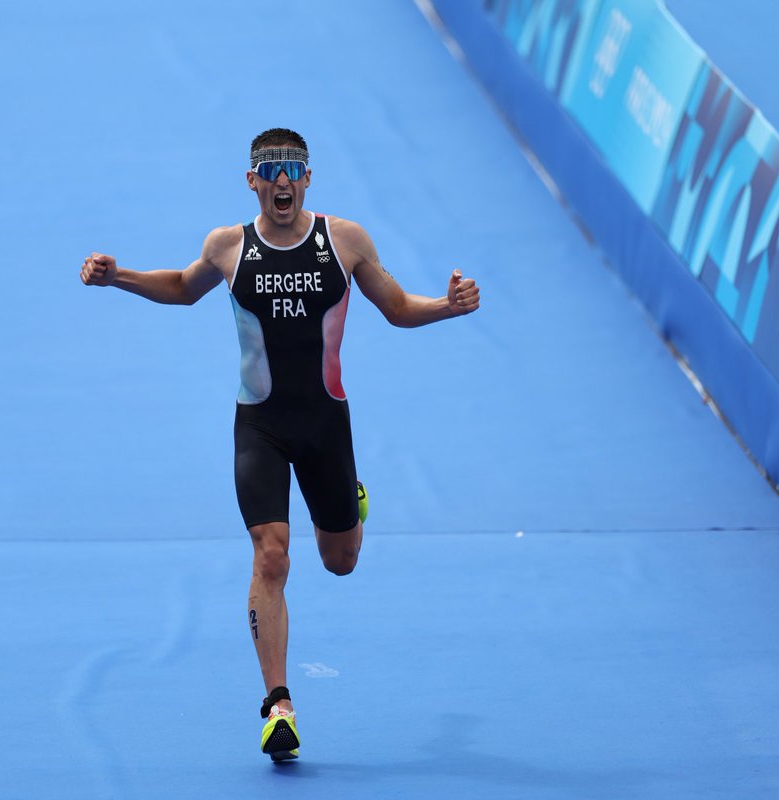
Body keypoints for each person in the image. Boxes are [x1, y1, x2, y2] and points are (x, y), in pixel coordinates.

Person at [81, 128, 480, 761]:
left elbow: (399, 308)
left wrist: (450, 307)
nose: (283, 180)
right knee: (271, 556)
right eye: (271, 170)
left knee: (340, 560)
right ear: (253, 182)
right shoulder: (228, 247)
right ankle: (278, 708)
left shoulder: (343, 242)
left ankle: (349, 498)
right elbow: (183, 288)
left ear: (308, 178)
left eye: (294, 168)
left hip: (326, 426)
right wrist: (118, 276)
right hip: (259, 428)